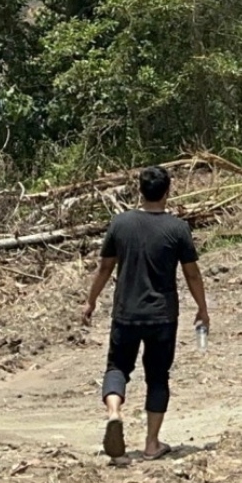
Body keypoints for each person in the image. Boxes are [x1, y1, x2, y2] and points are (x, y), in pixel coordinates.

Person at [81, 166, 209, 461]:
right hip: (163, 316)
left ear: (140, 191)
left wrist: (90, 301)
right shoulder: (178, 229)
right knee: (158, 377)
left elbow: (104, 268)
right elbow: (192, 274)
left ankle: (114, 412)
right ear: (168, 191)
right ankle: (152, 444)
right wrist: (202, 308)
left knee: (117, 368)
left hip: (126, 313)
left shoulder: (120, 224)